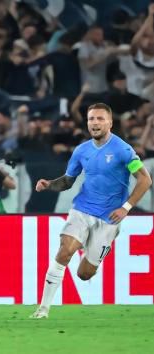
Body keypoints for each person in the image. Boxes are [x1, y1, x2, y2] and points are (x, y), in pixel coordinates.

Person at [30, 103, 152, 319]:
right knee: (64, 251)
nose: (95, 123)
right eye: (91, 119)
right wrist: (50, 184)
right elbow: (68, 181)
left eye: (100, 119)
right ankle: (43, 309)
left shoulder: (123, 151)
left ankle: (94, 249)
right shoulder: (81, 150)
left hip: (109, 219)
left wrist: (126, 207)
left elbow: (144, 179)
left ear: (110, 123)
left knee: (85, 274)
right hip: (82, 209)